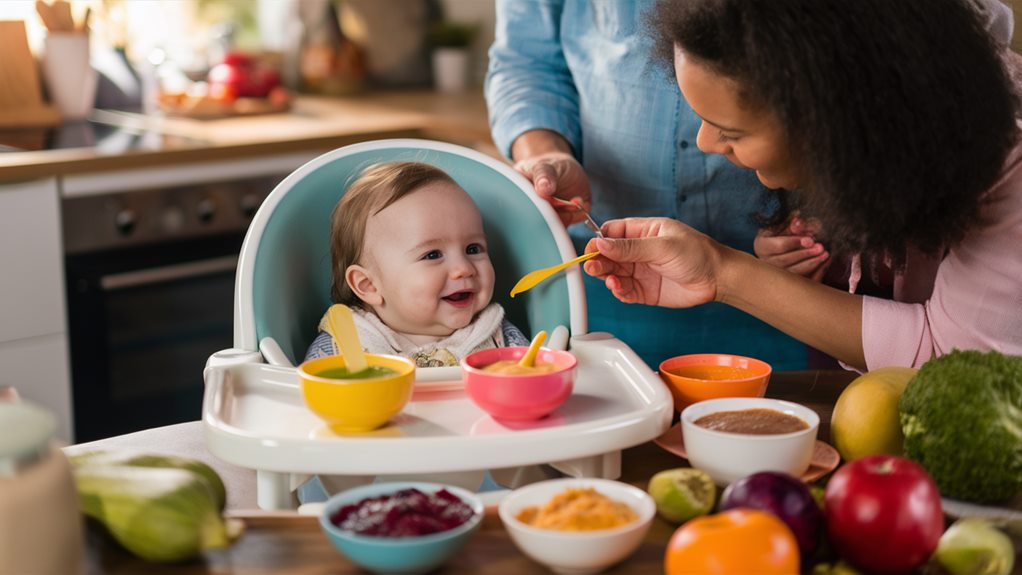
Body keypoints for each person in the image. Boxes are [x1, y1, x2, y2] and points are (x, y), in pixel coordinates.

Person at [583, 0, 1022, 372]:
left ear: (831, 118)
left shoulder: (1010, 164)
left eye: (731, 132)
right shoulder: (879, 126)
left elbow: (950, 360)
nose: (705, 143)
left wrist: (723, 272)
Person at [484, 0, 808, 371]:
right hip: (607, 301)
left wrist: (818, 212)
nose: (707, 142)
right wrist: (548, 153)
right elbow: (527, 64)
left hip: (789, 302)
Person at [304, 161, 529, 365]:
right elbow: (312, 399)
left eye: (473, 249)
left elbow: (533, 379)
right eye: (432, 255)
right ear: (368, 286)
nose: (463, 269)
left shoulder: (497, 336)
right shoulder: (345, 344)